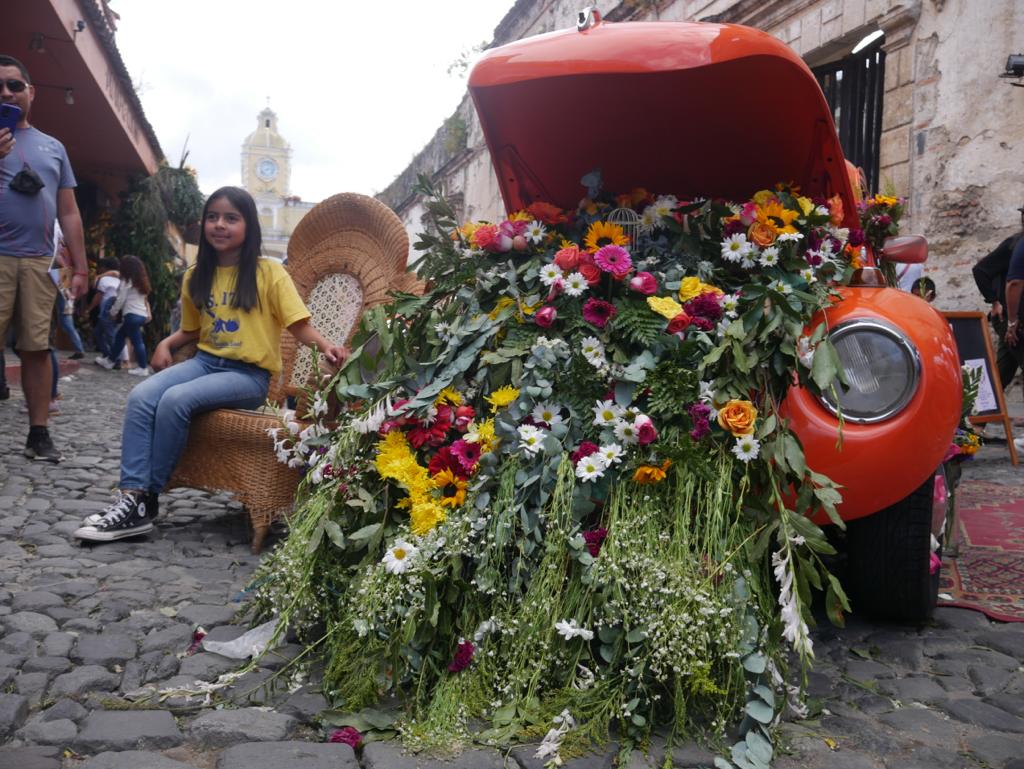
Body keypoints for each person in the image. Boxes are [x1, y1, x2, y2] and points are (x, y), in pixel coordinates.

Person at [74, 186, 347, 542]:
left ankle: (145, 499)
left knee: (175, 401)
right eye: (213, 217)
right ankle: (132, 497)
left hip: (247, 376)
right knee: (141, 396)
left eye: (231, 218)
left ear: (249, 226)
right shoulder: (195, 275)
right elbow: (192, 329)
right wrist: (166, 343)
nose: (220, 225)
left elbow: (298, 325)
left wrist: (327, 347)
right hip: (204, 363)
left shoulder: (269, 273)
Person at [0, 54, 88, 462]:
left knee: (36, 348)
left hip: (39, 263)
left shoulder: (53, 147)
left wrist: (82, 267)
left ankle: (38, 433)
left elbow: (68, 211)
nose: (6, 92)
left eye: (15, 85)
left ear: (30, 92)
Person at [973, 204, 1024, 392]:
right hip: (1012, 319)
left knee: (1003, 370)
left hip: (1013, 320)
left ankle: (977, 417)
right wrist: (994, 302)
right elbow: (980, 270)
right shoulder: (1014, 245)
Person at [95, 255, 152, 376]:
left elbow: (121, 299)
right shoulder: (141, 282)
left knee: (137, 341)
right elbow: (145, 299)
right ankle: (110, 361)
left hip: (131, 315)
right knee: (120, 337)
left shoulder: (126, 281)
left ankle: (142, 368)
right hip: (140, 315)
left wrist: (113, 312)